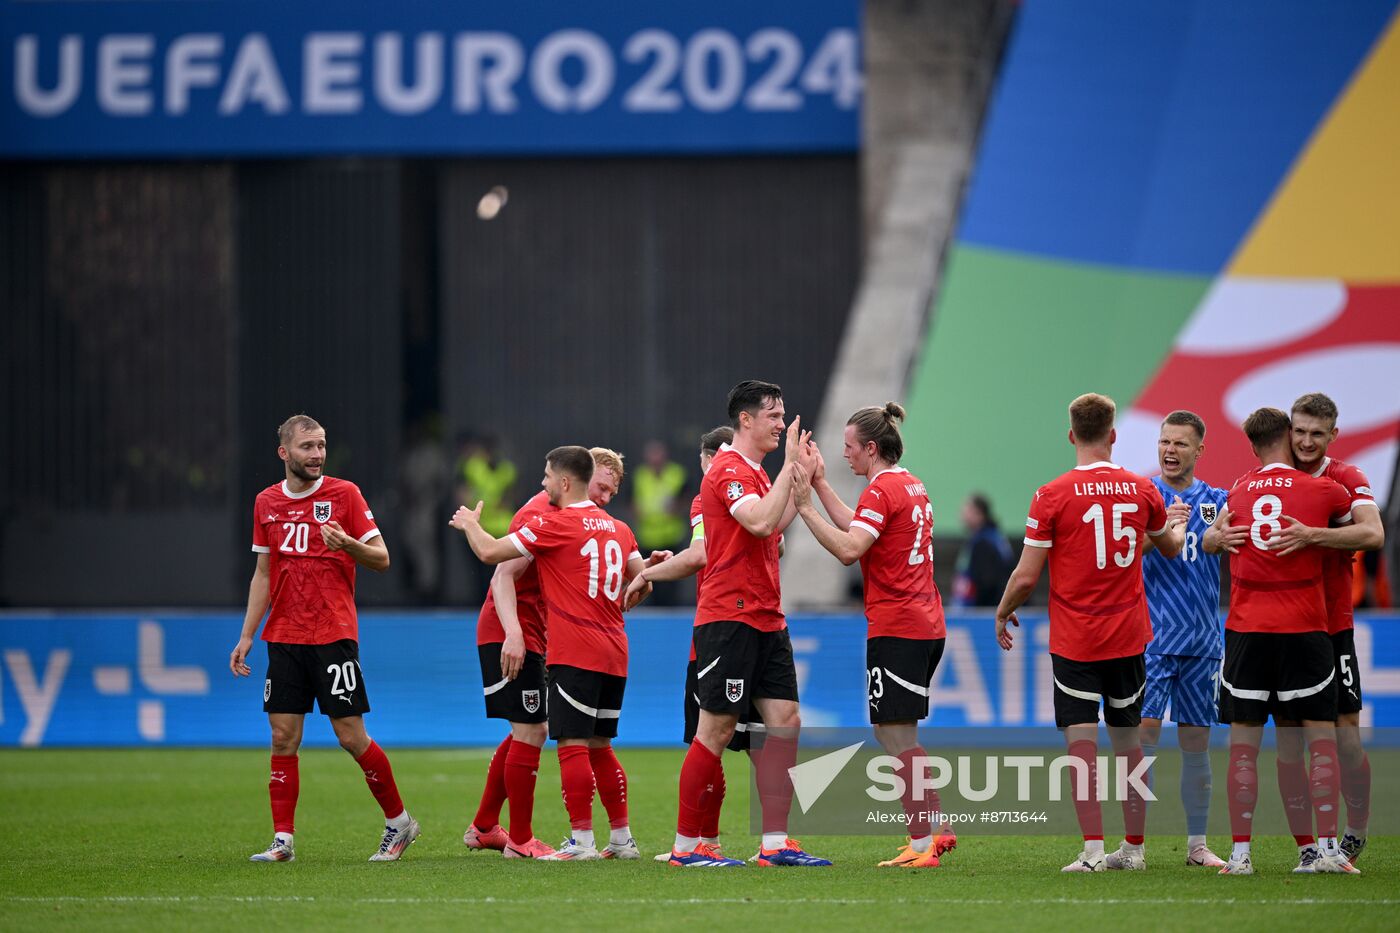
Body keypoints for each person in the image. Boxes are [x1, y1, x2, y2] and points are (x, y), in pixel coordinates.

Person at [994, 393, 1185, 873]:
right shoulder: (1144, 489)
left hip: (1077, 640)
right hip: (1128, 637)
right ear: (1114, 435)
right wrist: (1176, 528)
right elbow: (1169, 549)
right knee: (1129, 744)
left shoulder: (1051, 494)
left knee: (1082, 746)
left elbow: (1025, 577)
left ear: (1071, 435)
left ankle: (1095, 852)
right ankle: (1135, 850)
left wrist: (1002, 611)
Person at [230, 414, 419, 863]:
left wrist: (347, 545)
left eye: (321, 446)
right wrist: (246, 635)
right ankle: (283, 841)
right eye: (307, 447)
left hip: (333, 634)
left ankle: (400, 823)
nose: (317, 454)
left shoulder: (344, 494)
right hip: (285, 637)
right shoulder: (266, 503)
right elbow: (263, 573)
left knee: (351, 737)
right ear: (284, 453)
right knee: (282, 737)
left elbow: (383, 559)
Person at [1211, 393, 1386, 871]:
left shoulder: (1345, 478)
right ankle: (1311, 847)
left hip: (1332, 628)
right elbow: (1220, 531)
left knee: (1345, 743)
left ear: (1333, 435)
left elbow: (1373, 534)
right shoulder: (1254, 484)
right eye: (1299, 432)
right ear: (1287, 433)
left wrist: (1314, 536)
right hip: (1290, 630)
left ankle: (1356, 831)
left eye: (1316, 434)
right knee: (1290, 742)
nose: (1306, 442)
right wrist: (1214, 537)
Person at [453, 445, 651, 861]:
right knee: (537, 731)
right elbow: (501, 575)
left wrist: (472, 525)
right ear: (580, 477)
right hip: (516, 632)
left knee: (545, 733)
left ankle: (490, 827)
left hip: (559, 639)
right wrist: (514, 633)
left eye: (613, 492)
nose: (606, 497)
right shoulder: (545, 515)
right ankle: (519, 839)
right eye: (602, 487)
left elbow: (490, 551)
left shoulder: (571, 522)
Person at [667, 380, 830, 868]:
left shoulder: (757, 474)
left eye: (782, 416)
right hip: (729, 617)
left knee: (785, 722)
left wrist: (799, 486)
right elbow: (758, 522)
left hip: (766, 616)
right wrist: (787, 472)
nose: (781, 424)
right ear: (746, 420)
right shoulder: (727, 470)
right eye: (774, 416)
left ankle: (776, 844)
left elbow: (771, 533)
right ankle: (686, 846)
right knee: (714, 730)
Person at [790, 403, 956, 868]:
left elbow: (848, 548)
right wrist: (821, 484)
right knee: (895, 731)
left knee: (895, 734)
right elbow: (860, 527)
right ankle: (936, 829)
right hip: (923, 622)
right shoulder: (907, 483)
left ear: (870, 447)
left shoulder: (883, 491)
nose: (843, 455)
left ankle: (923, 844)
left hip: (899, 625)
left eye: (847, 447)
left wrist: (804, 506)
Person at [626, 426, 760, 861]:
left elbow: (701, 554)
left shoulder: (707, 494)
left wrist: (646, 573)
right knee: (760, 742)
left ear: (708, 459)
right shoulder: (754, 491)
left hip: (719, 631)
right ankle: (761, 841)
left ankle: (698, 843)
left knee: (709, 741)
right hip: (756, 625)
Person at [1138, 411, 1229, 868]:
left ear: (1199, 450)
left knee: (1197, 749)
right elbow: (1122, 552)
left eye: (1180, 444)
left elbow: (1243, 535)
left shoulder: (1217, 500)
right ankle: (1133, 847)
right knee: (1143, 742)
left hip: (1202, 642)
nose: (1170, 450)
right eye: (1164, 442)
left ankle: (1197, 846)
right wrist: (1160, 531)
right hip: (1151, 640)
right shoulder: (1142, 495)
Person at [953, 494, 1014, 607]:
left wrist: (980, 610)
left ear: (979, 514)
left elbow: (988, 583)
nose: (962, 514)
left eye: (967, 510)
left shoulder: (984, 543)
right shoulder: (992, 537)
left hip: (983, 613)